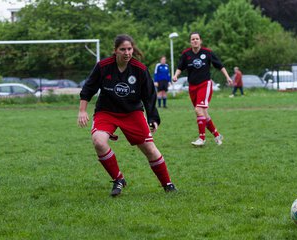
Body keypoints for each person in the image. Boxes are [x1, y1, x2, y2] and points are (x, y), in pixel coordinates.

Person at [78, 34, 177, 197]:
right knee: (98, 142)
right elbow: (89, 88)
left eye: (129, 49)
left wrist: (153, 118)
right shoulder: (103, 66)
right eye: (122, 49)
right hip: (106, 111)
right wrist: (82, 110)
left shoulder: (139, 69)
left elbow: (149, 95)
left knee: (150, 149)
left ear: (133, 49)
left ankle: (168, 184)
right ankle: (118, 179)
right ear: (115, 50)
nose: (126, 53)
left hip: (132, 112)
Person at [172, 32, 233, 147]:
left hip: (205, 84)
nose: (195, 41)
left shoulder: (208, 53)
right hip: (192, 87)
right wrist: (175, 76)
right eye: (192, 39)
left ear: (200, 41)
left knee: (198, 110)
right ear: (190, 42)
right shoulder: (186, 54)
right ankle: (217, 135)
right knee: (203, 113)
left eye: (197, 39)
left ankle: (202, 138)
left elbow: (220, 65)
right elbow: (180, 67)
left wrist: (228, 77)